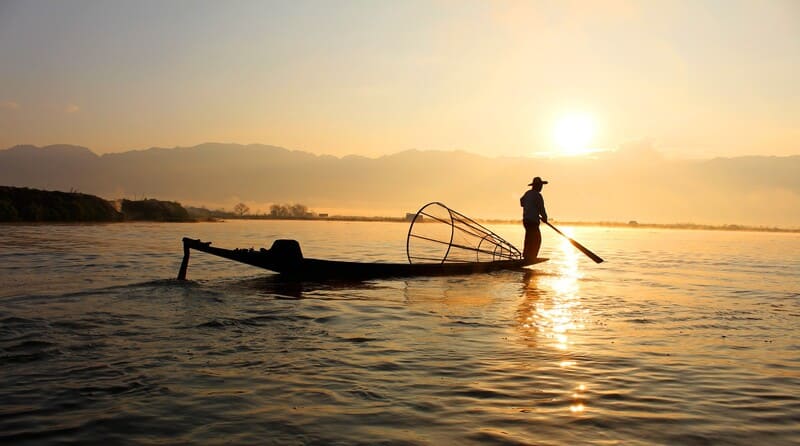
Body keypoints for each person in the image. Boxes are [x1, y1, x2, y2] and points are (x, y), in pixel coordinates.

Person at [520, 176, 548, 261]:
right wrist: (545, 217)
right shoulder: (538, 195)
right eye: (540, 185)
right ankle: (531, 257)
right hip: (532, 221)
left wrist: (528, 205)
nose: (541, 187)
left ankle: (526, 256)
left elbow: (522, 202)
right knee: (537, 239)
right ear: (537, 186)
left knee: (529, 238)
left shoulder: (527, 193)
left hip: (526, 220)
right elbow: (541, 208)